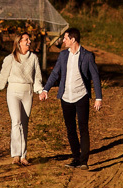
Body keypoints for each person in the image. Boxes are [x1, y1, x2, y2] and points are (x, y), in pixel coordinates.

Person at [39, 28, 102, 169]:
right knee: (70, 128)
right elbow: (55, 73)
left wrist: (99, 97)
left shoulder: (87, 56)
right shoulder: (63, 56)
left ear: (73, 39)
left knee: (83, 128)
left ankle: (84, 161)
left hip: (81, 96)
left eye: (65, 38)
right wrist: (45, 89)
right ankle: (76, 157)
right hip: (66, 97)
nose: (63, 41)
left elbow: (95, 76)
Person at [0, 32, 44, 165]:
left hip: (28, 92)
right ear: (19, 42)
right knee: (16, 121)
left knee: (24, 124)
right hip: (13, 92)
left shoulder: (33, 58)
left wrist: (40, 91)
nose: (29, 42)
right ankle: (15, 155)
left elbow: (37, 77)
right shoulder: (10, 58)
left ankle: (23, 156)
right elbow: (3, 75)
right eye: (26, 40)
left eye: (29, 39)